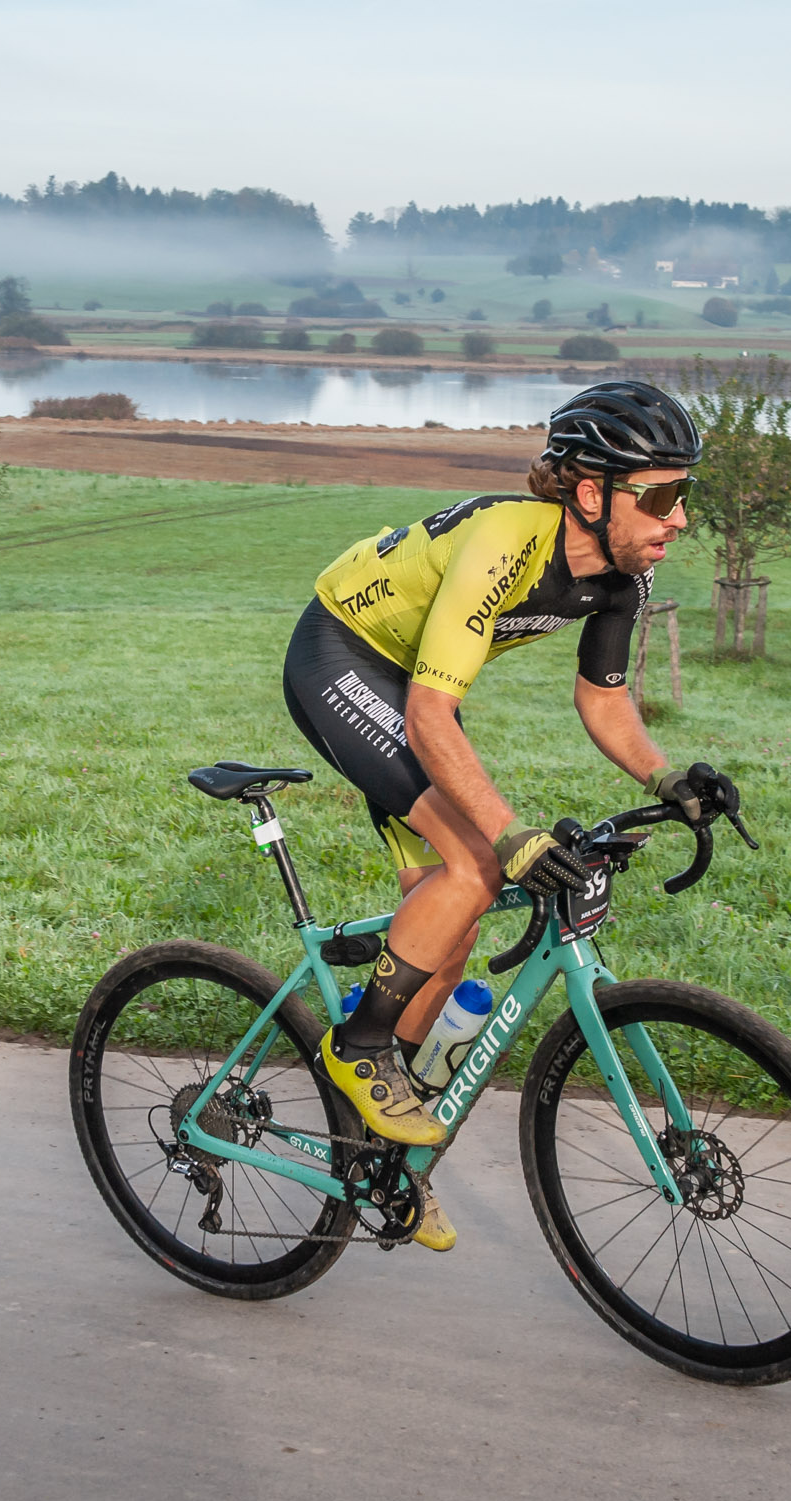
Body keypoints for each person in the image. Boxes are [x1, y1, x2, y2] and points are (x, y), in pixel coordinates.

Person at [281, 381, 709, 1251]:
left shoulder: (622, 574)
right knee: (478, 864)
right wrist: (514, 837)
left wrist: (670, 779)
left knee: (451, 920)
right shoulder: (505, 542)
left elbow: (605, 702)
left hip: (414, 686)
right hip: (345, 657)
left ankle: (372, 1156)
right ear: (592, 494)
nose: (681, 518)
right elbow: (432, 720)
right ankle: (357, 1047)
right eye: (662, 496)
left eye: (684, 495)